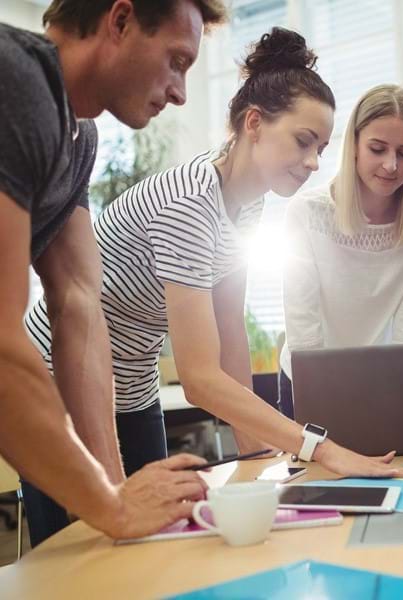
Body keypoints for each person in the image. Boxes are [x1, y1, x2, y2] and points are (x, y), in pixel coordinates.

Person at [23, 28, 403, 545]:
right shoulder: (188, 202)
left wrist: (256, 456)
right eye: (303, 141)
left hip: (133, 383)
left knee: (145, 545)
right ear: (254, 123)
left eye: (321, 147)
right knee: (78, 555)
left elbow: (229, 328)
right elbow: (200, 378)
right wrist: (318, 448)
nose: (314, 162)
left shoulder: (247, 203)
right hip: (60, 375)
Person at [0, 0, 228, 541]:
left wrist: (115, 491)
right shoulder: (17, 80)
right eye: (176, 60)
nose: (180, 92)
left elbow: (79, 301)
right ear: (120, 21)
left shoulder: (78, 136)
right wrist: (111, 507)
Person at [279, 84, 403, 417]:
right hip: (309, 377)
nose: (391, 165)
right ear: (354, 145)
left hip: (384, 378)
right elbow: (303, 329)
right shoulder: (308, 212)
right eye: (377, 148)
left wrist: (394, 397)